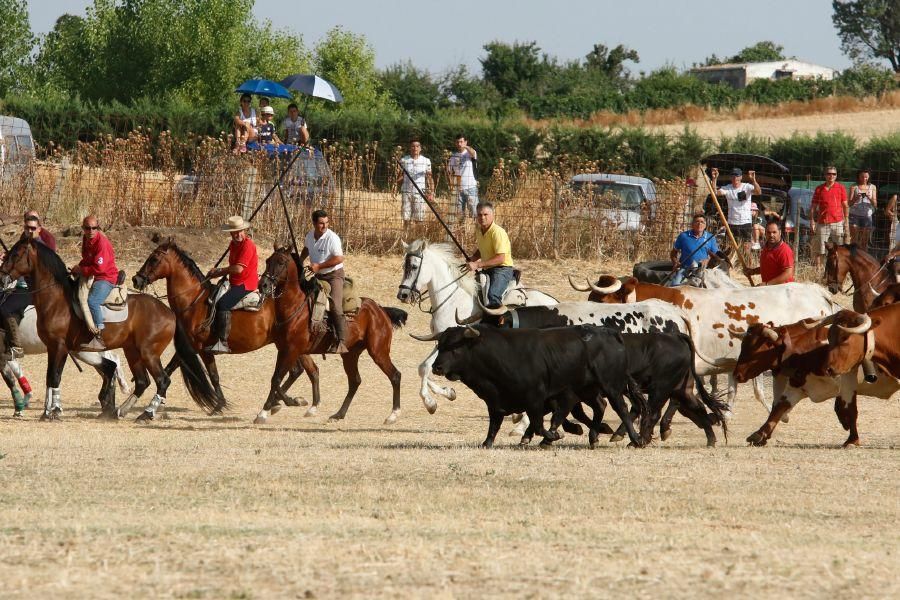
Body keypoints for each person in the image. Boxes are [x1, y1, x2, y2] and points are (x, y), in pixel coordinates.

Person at [205, 216, 259, 355]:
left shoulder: (248, 245)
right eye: (234, 232)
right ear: (230, 233)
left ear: (244, 230)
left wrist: (218, 272)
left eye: (240, 231)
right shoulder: (233, 244)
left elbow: (238, 269)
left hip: (246, 284)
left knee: (223, 304)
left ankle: (223, 342)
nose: (237, 234)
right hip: (234, 281)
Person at [300, 210, 349, 353]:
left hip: (334, 275)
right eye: (321, 223)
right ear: (314, 223)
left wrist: (319, 266)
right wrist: (300, 261)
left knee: (335, 306)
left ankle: (341, 341)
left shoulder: (332, 238)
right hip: (318, 275)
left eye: (326, 223)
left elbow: (339, 258)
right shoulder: (310, 236)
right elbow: (306, 249)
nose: (325, 226)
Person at [70, 216, 119, 350]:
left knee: (92, 301)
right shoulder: (86, 239)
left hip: (105, 277)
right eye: (87, 228)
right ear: (83, 229)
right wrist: (78, 267)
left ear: (98, 228)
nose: (91, 231)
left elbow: (100, 268)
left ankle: (99, 336)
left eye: (94, 228)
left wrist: (82, 270)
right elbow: (87, 260)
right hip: (93, 275)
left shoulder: (101, 243)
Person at [466, 202, 514, 308]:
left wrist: (477, 265)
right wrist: (473, 258)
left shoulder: (497, 232)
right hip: (487, 269)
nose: (482, 217)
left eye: (485, 214)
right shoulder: (479, 231)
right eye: (479, 215)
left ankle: (496, 323)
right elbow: (482, 249)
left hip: (502, 269)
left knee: (493, 295)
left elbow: (501, 258)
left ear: (492, 215)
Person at [710, 167, 761, 254]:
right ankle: (732, 265)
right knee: (729, 247)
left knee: (746, 247)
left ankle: (746, 264)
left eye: (737, 176)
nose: (735, 178)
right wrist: (714, 179)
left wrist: (753, 180)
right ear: (731, 177)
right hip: (732, 222)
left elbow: (758, 191)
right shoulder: (727, 188)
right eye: (733, 176)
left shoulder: (747, 186)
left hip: (745, 222)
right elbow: (714, 193)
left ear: (741, 177)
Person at [810, 165, 849, 270]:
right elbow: (813, 207)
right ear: (825, 175)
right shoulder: (819, 189)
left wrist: (846, 221)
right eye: (829, 173)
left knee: (839, 248)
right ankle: (819, 269)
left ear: (836, 176)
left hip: (837, 222)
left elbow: (845, 205)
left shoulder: (841, 188)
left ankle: (839, 269)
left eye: (834, 174)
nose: (831, 176)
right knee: (820, 248)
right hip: (823, 222)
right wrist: (812, 221)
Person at [668, 213, 719, 286]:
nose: (699, 224)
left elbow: (715, 256)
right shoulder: (683, 236)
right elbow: (673, 252)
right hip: (685, 269)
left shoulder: (710, 237)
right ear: (692, 224)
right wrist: (675, 262)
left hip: (703, 270)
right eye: (697, 221)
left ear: (705, 225)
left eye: (702, 222)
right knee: (674, 286)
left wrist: (707, 260)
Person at [397, 138, 434, 232]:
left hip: (420, 192)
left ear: (420, 148)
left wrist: (431, 192)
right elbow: (399, 177)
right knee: (406, 218)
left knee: (419, 218)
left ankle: (419, 237)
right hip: (406, 192)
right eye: (413, 146)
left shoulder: (426, 161)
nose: (415, 148)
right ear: (410, 148)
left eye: (417, 146)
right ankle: (406, 236)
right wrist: (395, 184)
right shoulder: (404, 160)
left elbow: (429, 178)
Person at [743, 221, 795, 286]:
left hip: (783, 291)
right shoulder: (766, 247)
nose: (771, 235)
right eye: (768, 232)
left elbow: (788, 273)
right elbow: (767, 268)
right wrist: (752, 271)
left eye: (774, 232)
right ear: (765, 233)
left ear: (780, 232)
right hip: (770, 290)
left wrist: (767, 284)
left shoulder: (784, 250)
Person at [448, 134, 478, 219]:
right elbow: (449, 172)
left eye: (461, 142)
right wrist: (452, 186)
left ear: (465, 142)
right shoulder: (453, 156)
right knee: (459, 216)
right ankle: (461, 232)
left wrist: (466, 147)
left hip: (471, 187)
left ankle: (476, 231)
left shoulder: (469, 154)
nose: (459, 144)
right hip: (458, 190)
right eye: (457, 142)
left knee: (475, 213)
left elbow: (473, 153)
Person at [848, 168, 877, 251]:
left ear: (869, 177)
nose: (864, 179)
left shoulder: (873, 187)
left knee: (865, 241)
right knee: (853, 239)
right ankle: (852, 256)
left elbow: (875, 204)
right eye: (862, 177)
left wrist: (869, 197)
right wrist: (856, 198)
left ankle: (863, 257)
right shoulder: (854, 186)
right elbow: (849, 204)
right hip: (854, 214)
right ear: (858, 177)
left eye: (866, 177)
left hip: (867, 216)